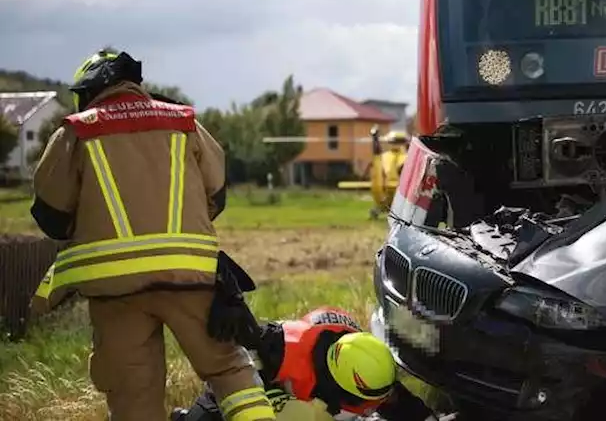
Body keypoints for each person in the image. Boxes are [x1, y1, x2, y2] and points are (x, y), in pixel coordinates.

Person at [29, 48, 275, 420]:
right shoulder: (184, 122)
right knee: (228, 369)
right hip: (189, 277)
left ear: (90, 89)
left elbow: (50, 214)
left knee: (133, 396)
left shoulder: (77, 131)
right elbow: (216, 194)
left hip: (115, 288)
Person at [173, 306, 436, 421]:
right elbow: (230, 377)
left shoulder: (365, 361)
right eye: (365, 403)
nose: (373, 407)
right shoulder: (279, 350)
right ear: (339, 386)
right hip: (278, 398)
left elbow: (394, 398)